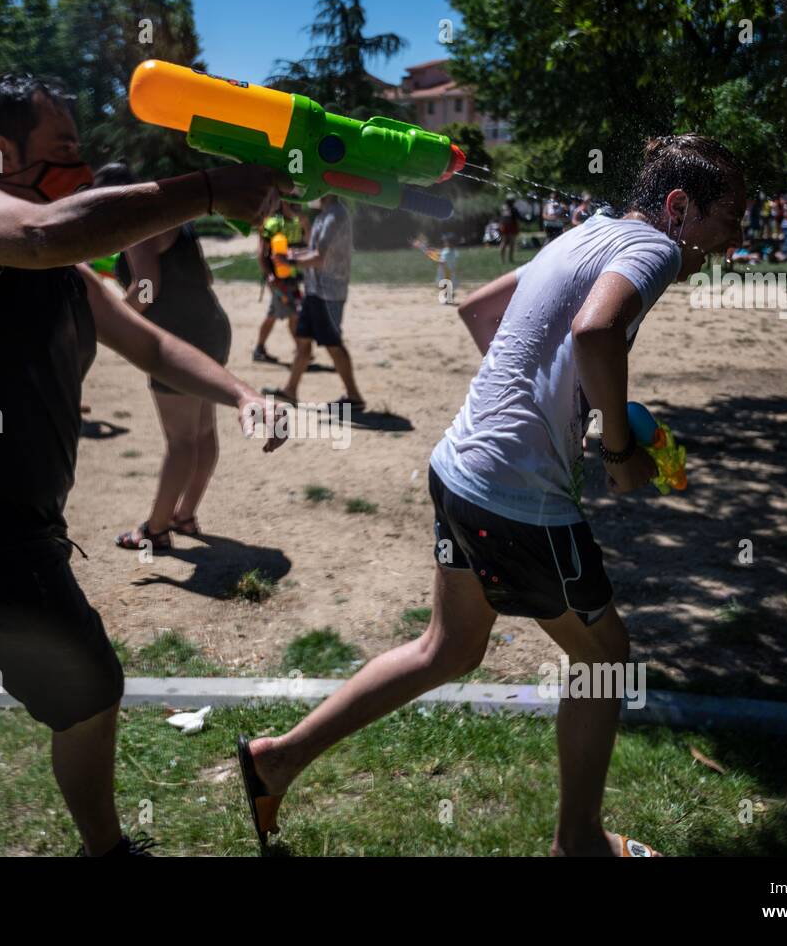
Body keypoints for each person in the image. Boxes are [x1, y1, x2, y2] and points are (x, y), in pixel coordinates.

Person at [0, 73, 286, 858]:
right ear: (0, 155)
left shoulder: (65, 274)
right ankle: (107, 851)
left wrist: (240, 392)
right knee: (91, 688)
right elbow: (49, 233)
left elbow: (151, 342)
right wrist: (206, 188)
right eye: (62, 150)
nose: (81, 164)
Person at [236, 134, 747, 857]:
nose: (735, 237)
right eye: (729, 218)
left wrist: (547, 404)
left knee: (447, 649)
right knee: (606, 657)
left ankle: (276, 759)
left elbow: (480, 312)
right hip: (517, 496)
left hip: (459, 467)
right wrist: (616, 450)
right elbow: (595, 330)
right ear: (677, 207)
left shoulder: (590, 231)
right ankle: (579, 845)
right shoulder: (655, 247)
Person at [93, 162, 234, 553]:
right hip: (212, 327)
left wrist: (114, 319)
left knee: (180, 440)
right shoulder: (172, 214)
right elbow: (206, 276)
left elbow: (147, 287)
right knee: (202, 432)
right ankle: (184, 514)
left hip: (179, 338)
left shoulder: (134, 219)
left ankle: (155, 530)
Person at [264, 193, 364, 412]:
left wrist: (289, 260)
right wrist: (292, 252)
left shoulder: (335, 216)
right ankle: (290, 391)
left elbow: (320, 258)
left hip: (328, 293)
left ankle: (354, 397)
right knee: (303, 341)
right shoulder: (323, 215)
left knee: (333, 343)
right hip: (314, 291)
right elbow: (312, 250)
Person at [254, 201, 307, 363]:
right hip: (278, 281)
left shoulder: (299, 223)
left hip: (292, 279)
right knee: (293, 313)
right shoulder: (272, 224)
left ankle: (260, 349)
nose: (296, 205)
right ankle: (301, 351)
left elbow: (305, 247)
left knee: (281, 314)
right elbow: (262, 254)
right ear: (283, 203)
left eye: (298, 202)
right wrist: (271, 278)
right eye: (292, 202)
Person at [498, 195, 520, 264]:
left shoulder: (503, 208)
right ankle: (510, 259)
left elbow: (500, 217)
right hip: (512, 226)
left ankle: (502, 260)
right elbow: (517, 217)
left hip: (504, 225)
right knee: (511, 243)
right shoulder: (513, 208)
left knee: (503, 242)